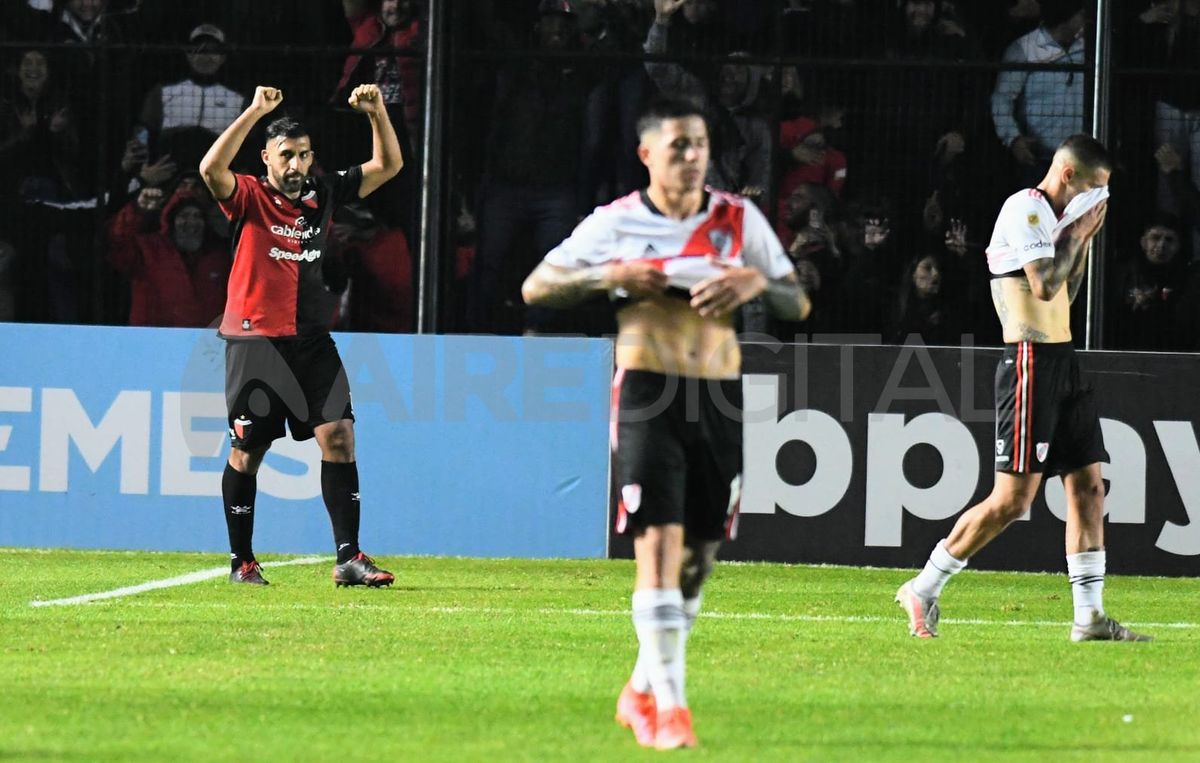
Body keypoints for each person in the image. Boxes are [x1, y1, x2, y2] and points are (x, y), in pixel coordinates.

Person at [522, 97, 810, 749]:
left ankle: (640, 688)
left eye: (700, 144)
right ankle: (673, 710)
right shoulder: (618, 223)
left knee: (699, 558)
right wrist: (611, 275)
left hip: (721, 395)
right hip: (649, 390)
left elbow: (797, 298)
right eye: (678, 145)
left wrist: (750, 281)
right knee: (657, 545)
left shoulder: (738, 219)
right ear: (646, 154)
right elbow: (537, 287)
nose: (691, 156)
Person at [896, 134, 1152, 642]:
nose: (1100, 198)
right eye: (1095, 187)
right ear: (1068, 176)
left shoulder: (1060, 221)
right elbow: (1043, 285)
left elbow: (1068, 293)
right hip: (1029, 361)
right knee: (1013, 500)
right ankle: (923, 586)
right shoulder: (1026, 208)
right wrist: (1078, 233)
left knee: (1087, 488)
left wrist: (1081, 239)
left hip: (1063, 359)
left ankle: (1089, 617)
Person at [198, 83, 402, 586]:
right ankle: (241, 561)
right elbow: (209, 171)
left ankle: (349, 559)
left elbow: (388, 167)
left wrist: (376, 113)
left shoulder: (323, 191)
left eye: (304, 155)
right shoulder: (246, 194)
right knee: (248, 453)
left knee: (339, 436)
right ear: (266, 157)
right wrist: (253, 112)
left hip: (312, 340)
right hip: (255, 343)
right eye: (286, 155)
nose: (296, 165)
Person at [107, 183, 230, 327]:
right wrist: (137, 209)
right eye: (184, 215)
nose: (192, 222)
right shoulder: (147, 250)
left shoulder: (218, 256)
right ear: (171, 221)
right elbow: (116, 243)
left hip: (207, 344)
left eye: (198, 216)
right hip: (153, 342)